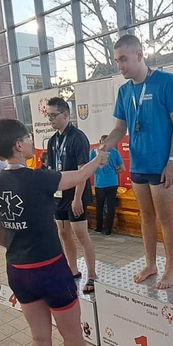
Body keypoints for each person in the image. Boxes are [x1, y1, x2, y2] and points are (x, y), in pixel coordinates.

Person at [0, 119, 114, 346]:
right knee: (72, 335)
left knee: (40, 338)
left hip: (19, 270)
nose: (32, 141)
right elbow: (79, 175)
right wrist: (98, 158)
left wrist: (20, 246)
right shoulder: (38, 178)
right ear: (19, 145)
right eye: (28, 137)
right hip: (52, 270)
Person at [101, 35, 173, 289]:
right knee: (146, 217)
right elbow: (120, 128)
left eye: (123, 59)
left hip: (161, 164)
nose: (120, 66)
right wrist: (105, 146)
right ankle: (151, 264)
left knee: (165, 218)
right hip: (138, 164)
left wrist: (172, 161)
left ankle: (171, 269)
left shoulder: (166, 81)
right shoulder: (124, 91)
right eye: (117, 61)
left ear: (139, 55)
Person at [45, 97, 98, 293]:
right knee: (63, 234)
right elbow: (52, 170)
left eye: (53, 115)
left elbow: (83, 171)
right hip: (59, 196)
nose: (50, 119)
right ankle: (73, 269)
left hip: (76, 194)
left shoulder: (78, 137)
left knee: (81, 235)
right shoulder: (52, 141)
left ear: (66, 115)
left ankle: (92, 275)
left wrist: (77, 198)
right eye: (48, 116)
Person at [91, 134, 123, 236]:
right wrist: (114, 172)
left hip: (100, 183)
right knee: (111, 206)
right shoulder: (115, 152)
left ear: (99, 142)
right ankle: (108, 230)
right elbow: (122, 168)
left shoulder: (94, 152)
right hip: (113, 182)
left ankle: (99, 228)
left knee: (99, 206)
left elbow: (90, 167)